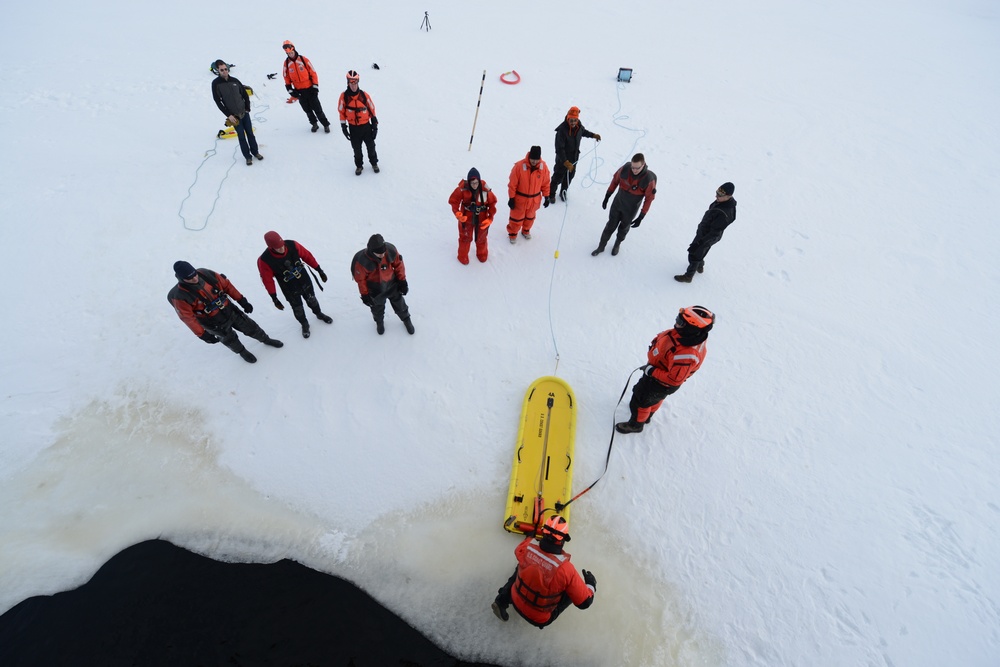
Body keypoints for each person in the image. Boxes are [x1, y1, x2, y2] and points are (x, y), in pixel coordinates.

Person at [615, 306, 714, 434]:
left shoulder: (686, 355)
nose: (676, 323)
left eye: (681, 322)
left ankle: (636, 424)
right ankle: (647, 414)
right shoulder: (685, 335)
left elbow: (674, 379)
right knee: (652, 399)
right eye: (678, 318)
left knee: (640, 400)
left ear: (691, 327)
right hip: (657, 375)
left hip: (660, 382)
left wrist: (651, 371)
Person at [491, 515, 596, 629]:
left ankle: (502, 599)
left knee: (522, 565)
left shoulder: (528, 547)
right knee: (571, 588)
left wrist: (529, 536)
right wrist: (591, 584)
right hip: (539, 619)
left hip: (515, 599)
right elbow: (585, 603)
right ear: (564, 539)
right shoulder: (566, 569)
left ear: (543, 532)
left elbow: (520, 549)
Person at [168, 261, 283, 364]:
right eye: (189, 279)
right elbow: (188, 318)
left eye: (194, 274)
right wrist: (202, 334)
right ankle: (242, 352)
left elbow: (227, 286)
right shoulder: (180, 296)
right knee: (229, 339)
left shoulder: (206, 274)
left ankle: (265, 339)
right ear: (181, 279)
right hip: (212, 322)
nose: (194, 279)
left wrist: (242, 300)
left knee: (250, 327)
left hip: (229, 310)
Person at [257, 231, 333, 339]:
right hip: (289, 287)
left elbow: (307, 256)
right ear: (271, 248)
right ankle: (304, 324)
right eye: (278, 248)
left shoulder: (292, 245)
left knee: (312, 299)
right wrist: (274, 298)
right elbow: (267, 280)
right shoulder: (264, 260)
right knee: (297, 308)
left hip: (304, 280)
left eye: (282, 245)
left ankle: (319, 313)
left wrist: (319, 270)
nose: (282, 249)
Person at [591, 153, 657, 257]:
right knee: (610, 226)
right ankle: (601, 246)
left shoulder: (649, 179)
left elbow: (649, 199)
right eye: (632, 167)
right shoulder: (625, 169)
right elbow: (615, 181)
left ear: (643, 165)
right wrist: (607, 195)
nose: (634, 170)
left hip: (631, 208)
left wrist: (641, 216)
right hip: (618, 203)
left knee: (623, 228)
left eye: (637, 168)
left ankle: (617, 244)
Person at [351, 234, 414, 335]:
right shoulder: (361, 261)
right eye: (379, 253)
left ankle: (406, 319)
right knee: (377, 309)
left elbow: (399, 265)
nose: (382, 255)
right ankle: (379, 322)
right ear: (371, 251)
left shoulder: (390, 251)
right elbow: (361, 280)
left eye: (383, 252)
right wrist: (365, 294)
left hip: (392, 284)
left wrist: (402, 281)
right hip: (375, 289)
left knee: (400, 304)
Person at [674, 183, 738, 282]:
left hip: (707, 236)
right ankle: (699, 265)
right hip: (704, 232)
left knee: (694, 253)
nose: (716, 196)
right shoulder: (722, 202)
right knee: (700, 251)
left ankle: (688, 276)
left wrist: (700, 242)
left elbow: (714, 233)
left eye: (720, 195)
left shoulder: (724, 214)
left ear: (729, 196)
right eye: (716, 193)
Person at [211, 60, 263, 166]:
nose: (225, 71)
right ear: (218, 70)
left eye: (226, 69)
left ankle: (255, 152)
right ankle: (247, 157)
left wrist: (247, 107)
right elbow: (218, 101)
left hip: (244, 112)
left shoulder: (235, 80)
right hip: (234, 116)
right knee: (241, 136)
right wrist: (228, 115)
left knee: (250, 134)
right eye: (222, 70)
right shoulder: (216, 84)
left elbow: (244, 95)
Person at [547, 106, 601, 204]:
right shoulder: (562, 131)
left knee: (569, 176)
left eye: (575, 120)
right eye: (571, 120)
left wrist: (593, 135)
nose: (573, 123)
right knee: (557, 177)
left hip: (574, 158)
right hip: (562, 160)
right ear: (567, 118)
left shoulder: (579, 126)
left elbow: (583, 132)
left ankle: (563, 191)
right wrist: (565, 162)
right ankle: (551, 194)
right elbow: (559, 149)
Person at [448, 167, 498, 264]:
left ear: (479, 181)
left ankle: (482, 254)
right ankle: (462, 256)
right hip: (466, 219)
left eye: (476, 183)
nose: (474, 185)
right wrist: (457, 213)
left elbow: (492, 203)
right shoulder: (462, 189)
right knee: (465, 238)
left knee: (481, 239)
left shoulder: (486, 190)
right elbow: (453, 201)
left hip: (482, 219)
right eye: (472, 183)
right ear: (469, 183)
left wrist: (490, 218)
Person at [281, 40, 331, 134]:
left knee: (317, 109)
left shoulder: (303, 59)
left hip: (310, 89)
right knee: (307, 110)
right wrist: (289, 89)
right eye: (288, 53)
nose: (290, 54)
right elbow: (286, 77)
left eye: (291, 52)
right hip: (299, 91)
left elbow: (313, 73)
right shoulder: (286, 63)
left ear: (294, 49)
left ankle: (325, 124)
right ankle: (314, 124)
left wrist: (315, 87)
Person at [506, 146, 551, 244]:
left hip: (534, 200)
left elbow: (546, 183)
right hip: (520, 199)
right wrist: (511, 198)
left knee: (530, 218)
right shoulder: (519, 166)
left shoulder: (543, 167)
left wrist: (546, 196)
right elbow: (512, 184)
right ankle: (513, 234)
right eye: (532, 159)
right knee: (516, 218)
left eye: (536, 159)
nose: (534, 162)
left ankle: (526, 230)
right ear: (529, 156)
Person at [338, 70, 379, 175]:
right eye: (351, 82)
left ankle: (374, 163)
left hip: (366, 127)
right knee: (357, 149)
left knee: (371, 146)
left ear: (358, 82)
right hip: (353, 128)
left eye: (355, 82)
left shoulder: (364, 95)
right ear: (347, 82)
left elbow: (372, 108)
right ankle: (359, 166)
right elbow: (341, 112)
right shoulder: (344, 97)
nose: (353, 85)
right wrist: (343, 126)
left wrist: (374, 125)